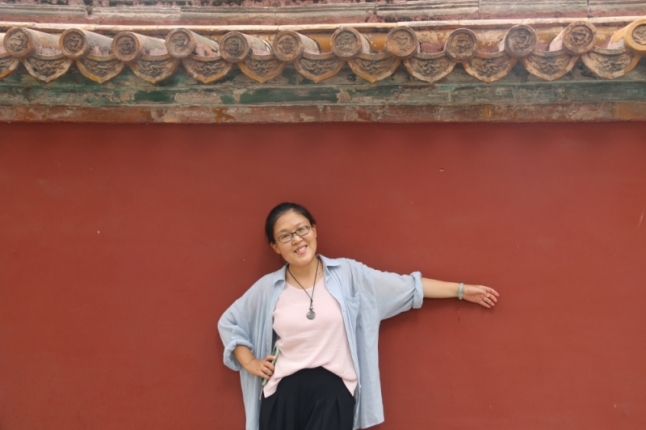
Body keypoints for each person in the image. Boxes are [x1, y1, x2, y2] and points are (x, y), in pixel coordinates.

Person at [218, 202, 499, 430]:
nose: (297, 240)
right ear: (275, 246)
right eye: (285, 236)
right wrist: (250, 362)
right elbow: (230, 323)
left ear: (314, 230)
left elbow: (406, 287)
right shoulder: (268, 288)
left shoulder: (349, 275)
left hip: (333, 394)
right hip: (282, 398)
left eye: (302, 229)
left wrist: (460, 290)